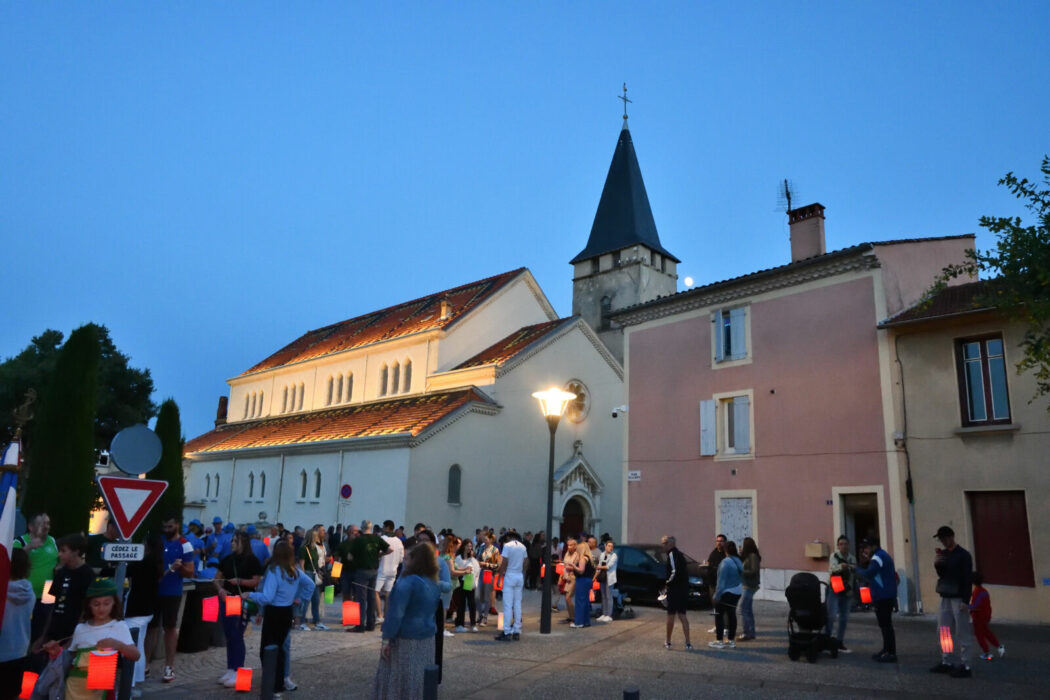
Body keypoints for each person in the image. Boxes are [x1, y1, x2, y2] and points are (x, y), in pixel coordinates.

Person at [47, 578, 139, 700]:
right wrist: (56, 652)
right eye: (96, 604)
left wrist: (118, 645)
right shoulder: (81, 628)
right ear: (89, 605)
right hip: (75, 687)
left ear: (114, 603)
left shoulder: (118, 626)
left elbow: (135, 655)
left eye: (106, 603)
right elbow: (70, 658)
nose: (101, 608)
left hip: (101, 689)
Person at [246, 540, 314, 698]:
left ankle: (272, 685)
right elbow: (310, 585)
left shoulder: (274, 570)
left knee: (267, 650)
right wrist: (300, 599)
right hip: (287, 612)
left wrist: (250, 595)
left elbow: (267, 597)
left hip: (274, 612)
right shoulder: (295, 571)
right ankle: (279, 684)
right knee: (280, 650)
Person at [373, 543, 440, 699]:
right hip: (427, 636)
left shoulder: (407, 582)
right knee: (420, 678)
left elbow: (395, 613)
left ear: (415, 560)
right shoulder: (432, 583)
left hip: (406, 638)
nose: (404, 560)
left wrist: (387, 639)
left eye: (407, 557)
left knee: (401, 677)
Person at [145, 514, 196, 683]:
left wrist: (179, 567)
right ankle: (144, 664)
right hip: (153, 590)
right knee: (150, 628)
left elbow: (191, 572)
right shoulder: (158, 541)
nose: (166, 530)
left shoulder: (185, 544)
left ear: (177, 525)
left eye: (170, 527)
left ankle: (169, 666)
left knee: (170, 628)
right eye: (164, 527)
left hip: (172, 592)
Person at [214, 532, 263, 688]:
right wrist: (220, 590)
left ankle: (238, 669)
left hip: (242, 601)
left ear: (243, 542)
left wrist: (239, 581)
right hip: (227, 599)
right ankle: (231, 668)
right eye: (232, 541)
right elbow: (216, 579)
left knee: (237, 634)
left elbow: (256, 581)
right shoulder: (227, 559)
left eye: (236, 541)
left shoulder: (252, 560)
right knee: (229, 634)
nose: (232, 543)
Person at [35, 534, 94, 655]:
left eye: (63, 551)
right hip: (54, 632)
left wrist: (73, 638)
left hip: (71, 633)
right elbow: (53, 605)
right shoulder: (61, 573)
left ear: (76, 552)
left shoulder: (87, 574)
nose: (59, 554)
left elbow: (86, 609)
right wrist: (44, 635)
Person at [930, 525, 975, 678]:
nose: (942, 541)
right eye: (941, 539)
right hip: (945, 595)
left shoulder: (963, 555)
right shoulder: (943, 554)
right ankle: (947, 660)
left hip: (958, 597)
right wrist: (938, 565)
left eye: (944, 538)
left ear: (951, 537)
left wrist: (965, 600)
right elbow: (942, 574)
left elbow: (967, 578)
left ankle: (966, 665)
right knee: (943, 630)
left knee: (962, 632)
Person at [13, 512, 58, 647]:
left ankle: (36, 651)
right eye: (40, 524)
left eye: (47, 523)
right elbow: (13, 562)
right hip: (25, 592)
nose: (45, 527)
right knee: (23, 625)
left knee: (43, 623)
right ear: (31, 527)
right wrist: (29, 547)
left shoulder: (52, 541)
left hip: (48, 590)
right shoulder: (20, 541)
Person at [854, 537, 897, 663]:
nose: (864, 550)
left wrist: (855, 568)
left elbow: (868, 574)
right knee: (885, 625)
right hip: (886, 595)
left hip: (883, 596)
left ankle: (891, 653)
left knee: (885, 625)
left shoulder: (877, 557)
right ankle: (886, 650)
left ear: (873, 546)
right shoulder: (882, 555)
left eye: (866, 547)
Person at [0, 549, 33, 700]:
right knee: (13, 693)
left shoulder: (3, 592)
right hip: (20, 650)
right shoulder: (29, 591)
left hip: (2, 650)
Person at [348, 520, 390, 632]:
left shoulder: (359, 540)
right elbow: (390, 549)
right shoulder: (377, 539)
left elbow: (350, 556)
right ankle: (370, 624)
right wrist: (379, 554)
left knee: (361, 598)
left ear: (362, 528)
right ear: (371, 528)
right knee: (371, 597)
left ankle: (360, 625)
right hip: (374, 570)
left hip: (362, 571)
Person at [709, 541, 743, 649]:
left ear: (725, 550)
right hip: (737, 591)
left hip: (726, 592)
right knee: (731, 615)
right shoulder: (738, 561)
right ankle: (731, 640)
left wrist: (716, 595)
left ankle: (719, 641)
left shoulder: (725, 563)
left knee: (718, 616)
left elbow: (721, 582)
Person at [494, 530, 527, 641]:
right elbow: (526, 562)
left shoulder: (507, 546)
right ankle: (517, 630)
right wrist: (521, 570)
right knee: (517, 604)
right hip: (519, 575)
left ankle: (507, 631)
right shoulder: (523, 547)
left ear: (508, 538)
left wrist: (499, 576)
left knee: (508, 605)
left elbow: (504, 562)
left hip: (510, 575)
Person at [825, 535, 856, 653]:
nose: (843, 546)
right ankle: (826, 640)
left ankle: (839, 641)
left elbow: (853, 576)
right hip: (835, 586)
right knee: (831, 615)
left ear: (849, 545)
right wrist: (841, 566)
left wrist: (851, 589)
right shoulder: (835, 556)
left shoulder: (852, 558)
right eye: (841, 544)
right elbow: (832, 569)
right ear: (838, 546)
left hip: (847, 589)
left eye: (845, 544)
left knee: (844, 617)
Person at [297, 527, 328, 631]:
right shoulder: (304, 548)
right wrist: (303, 578)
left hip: (314, 573)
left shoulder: (315, 548)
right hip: (307, 574)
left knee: (316, 599)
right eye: (315, 536)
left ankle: (317, 620)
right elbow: (302, 564)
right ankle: (302, 621)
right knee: (306, 599)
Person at [969, 572, 1004, 661]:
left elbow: (975, 606)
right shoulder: (984, 591)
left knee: (979, 635)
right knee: (987, 633)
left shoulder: (977, 592)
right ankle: (999, 646)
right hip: (985, 615)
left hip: (978, 617)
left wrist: (966, 607)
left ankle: (986, 653)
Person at [378, 520, 405, 621]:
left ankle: (379, 615)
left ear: (386, 527)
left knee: (376, 591)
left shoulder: (382, 539)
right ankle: (386, 614)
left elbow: (378, 554)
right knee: (388, 593)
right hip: (393, 570)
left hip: (382, 568)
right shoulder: (399, 541)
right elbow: (402, 558)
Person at [451, 539, 479, 632]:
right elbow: (456, 568)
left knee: (472, 603)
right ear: (463, 546)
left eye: (470, 546)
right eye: (467, 545)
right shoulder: (458, 557)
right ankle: (460, 624)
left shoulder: (472, 558)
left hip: (470, 581)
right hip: (461, 581)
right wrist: (464, 569)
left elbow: (476, 568)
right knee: (461, 603)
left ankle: (473, 624)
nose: (469, 548)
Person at [702, 534, 727, 633]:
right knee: (715, 606)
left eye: (721, 541)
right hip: (712, 583)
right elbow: (709, 562)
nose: (719, 543)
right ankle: (717, 626)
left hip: (722, 584)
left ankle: (726, 627)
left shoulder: (726, 554)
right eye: (717, 541)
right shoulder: (714, 552)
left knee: (723, 606)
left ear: (725, 542)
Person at [738, 537, 761, 641]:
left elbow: (754, 571)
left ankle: (747, 632)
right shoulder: (749, 556)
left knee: (742, 608)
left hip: (750, 585)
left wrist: (741, 571)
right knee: (748, 609)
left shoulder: (753, 556)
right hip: (747, 584)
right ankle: (751, 632)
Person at [570, 536, 594, 629]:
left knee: (580, 601)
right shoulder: (589, 558)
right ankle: (586, 621)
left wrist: (573, 566)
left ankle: (579, 622)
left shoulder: (582, 559)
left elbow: (581, 571)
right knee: (585, 601)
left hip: (582, 580)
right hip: (588, 580)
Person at [476, 532, 500, 625]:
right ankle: (480, 614)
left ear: (491, 539)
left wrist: (486, 564)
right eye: (484, 538)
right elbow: (476, 558)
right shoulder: (481, 548)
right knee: (477, 596)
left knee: (486, 596)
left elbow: (496, 565)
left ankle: (485, 617)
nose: (484, 540)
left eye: (486, 539)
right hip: (480, 572)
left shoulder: (495, 550)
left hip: (488, 573)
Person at [596, 539, 618, 622]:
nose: (610, 548)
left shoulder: (614, 556)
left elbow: (609, 566)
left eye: (612, 546)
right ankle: (604, 614)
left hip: (610, 578)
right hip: (602, 577)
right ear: (605, 546)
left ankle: (609, 615)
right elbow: (599, 565)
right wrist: (594, 577)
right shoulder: (602, 554)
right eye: (609, 546)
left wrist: (599, 567)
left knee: (609, 596)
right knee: (603, 596)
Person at [559, 539, 579, 624]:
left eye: (571, 545)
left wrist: (570, 567)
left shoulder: (577, 554)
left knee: (568, 597)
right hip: (566, 577)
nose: (569, 547)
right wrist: (561, 576)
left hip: (573, 577)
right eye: (568, 545)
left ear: (575, 546)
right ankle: (570, 616)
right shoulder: (567, 553)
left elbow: (577, 567)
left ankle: (574, 617)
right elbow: (564, 565)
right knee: (566, 598)